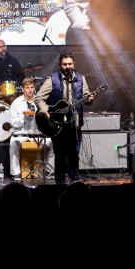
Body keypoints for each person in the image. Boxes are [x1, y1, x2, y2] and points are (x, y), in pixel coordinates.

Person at [35, 51, 95, 184]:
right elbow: (38, 98)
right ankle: (60, 184)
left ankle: (75, 183)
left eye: (70, 64)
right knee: (60, 157)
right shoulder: (52, 79)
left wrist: (90, 99)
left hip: (75, 124)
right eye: (64, 64)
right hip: (59, 125)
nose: (67, 67)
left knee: (74, 156)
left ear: (74, 64)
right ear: (60, 65)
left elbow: (86, 97)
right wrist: (47, 112)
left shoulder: (80, 79)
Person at [9, 78, 55, 181]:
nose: (30, 90)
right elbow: (14, 123)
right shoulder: (16, 103)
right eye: (27, 88)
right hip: (22, 134)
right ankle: (15, 173)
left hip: (37, 133)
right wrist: (24, 115)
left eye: (32, 87)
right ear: (22, 89)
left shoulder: (39, 102)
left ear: (34, 88)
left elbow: (46, 120)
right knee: (13, 142)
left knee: (54, 142)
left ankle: (48, 170)